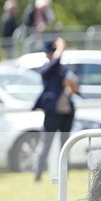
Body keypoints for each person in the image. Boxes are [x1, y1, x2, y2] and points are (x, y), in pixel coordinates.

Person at [32, 38, 76, 182]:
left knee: (65, 146)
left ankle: (64, 175)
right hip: (52, 113)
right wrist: (60, 49)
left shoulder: (63, 69)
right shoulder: (46, 68)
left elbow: (74, 86)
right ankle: (37, 174)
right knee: (46, 144)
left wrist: (72, 85)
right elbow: (54, 64)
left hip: (66, 112)